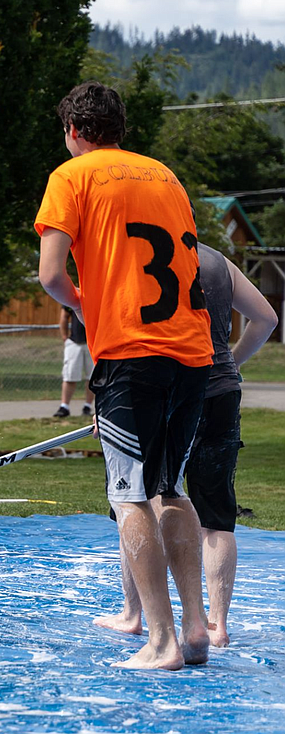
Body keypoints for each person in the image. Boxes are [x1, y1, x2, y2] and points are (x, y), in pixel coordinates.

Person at [35, 81, 213, 670]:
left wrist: (91, 307)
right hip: (191, 351)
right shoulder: (166, 176)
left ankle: (159, 641)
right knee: (171, 490)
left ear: (76, 132)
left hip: (131, 353)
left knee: (129, 494)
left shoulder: (74, 175)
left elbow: (51, 274)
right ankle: (194, 629)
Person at [93, 242, 278, 649]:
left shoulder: (139, 253)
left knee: (138, 501)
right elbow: (266, 317)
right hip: (220, 387)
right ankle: (216, 624)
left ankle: (134, 614)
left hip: (167, 387)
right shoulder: (219, 261)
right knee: (216, 512)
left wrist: (112, 400)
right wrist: (231, 361)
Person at [54, 305, 95, 418]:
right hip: (75, 342)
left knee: (92, 377)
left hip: (93, 342)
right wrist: (64, 337)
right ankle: (64, 406)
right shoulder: (73, 294)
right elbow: (64, 316)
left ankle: (87, 406)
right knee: (70, 376)